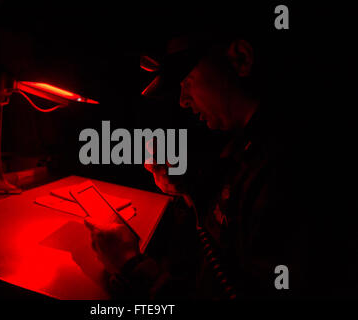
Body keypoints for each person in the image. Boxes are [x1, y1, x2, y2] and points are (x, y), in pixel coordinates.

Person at [84, 10, 357, 299]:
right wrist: (188, 192)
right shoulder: (247, 147)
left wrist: (131, 264)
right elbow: (228, 244)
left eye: (187, 81)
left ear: (240, 58)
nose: (183, 101)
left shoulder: (291, 173)